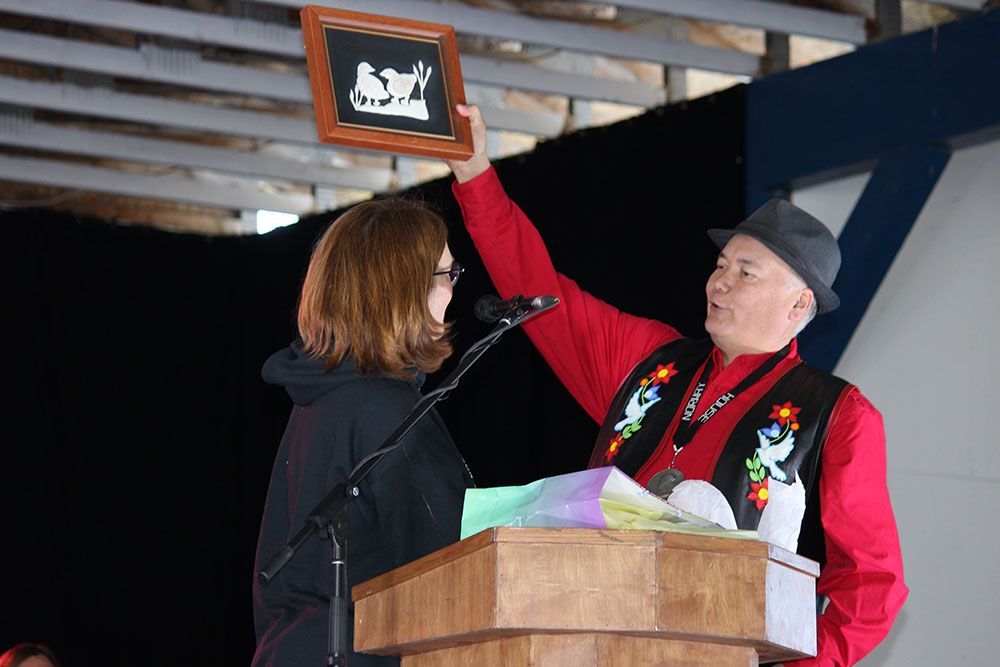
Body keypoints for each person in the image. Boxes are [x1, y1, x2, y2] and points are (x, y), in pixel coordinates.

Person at [444, 105, 907, 666]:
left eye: (745, 272)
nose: (720, 281)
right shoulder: (651, 361)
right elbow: (539, 292)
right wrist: (475, 176)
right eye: (720, 264)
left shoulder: (838, 414)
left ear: (799, 302)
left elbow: (872, 584)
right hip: (587, 637)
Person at [251, 198, 474, 666]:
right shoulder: (386, 410)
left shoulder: (321, 400)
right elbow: (456, 571)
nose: (453, 292)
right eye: (447, 275)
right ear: (400, 289)